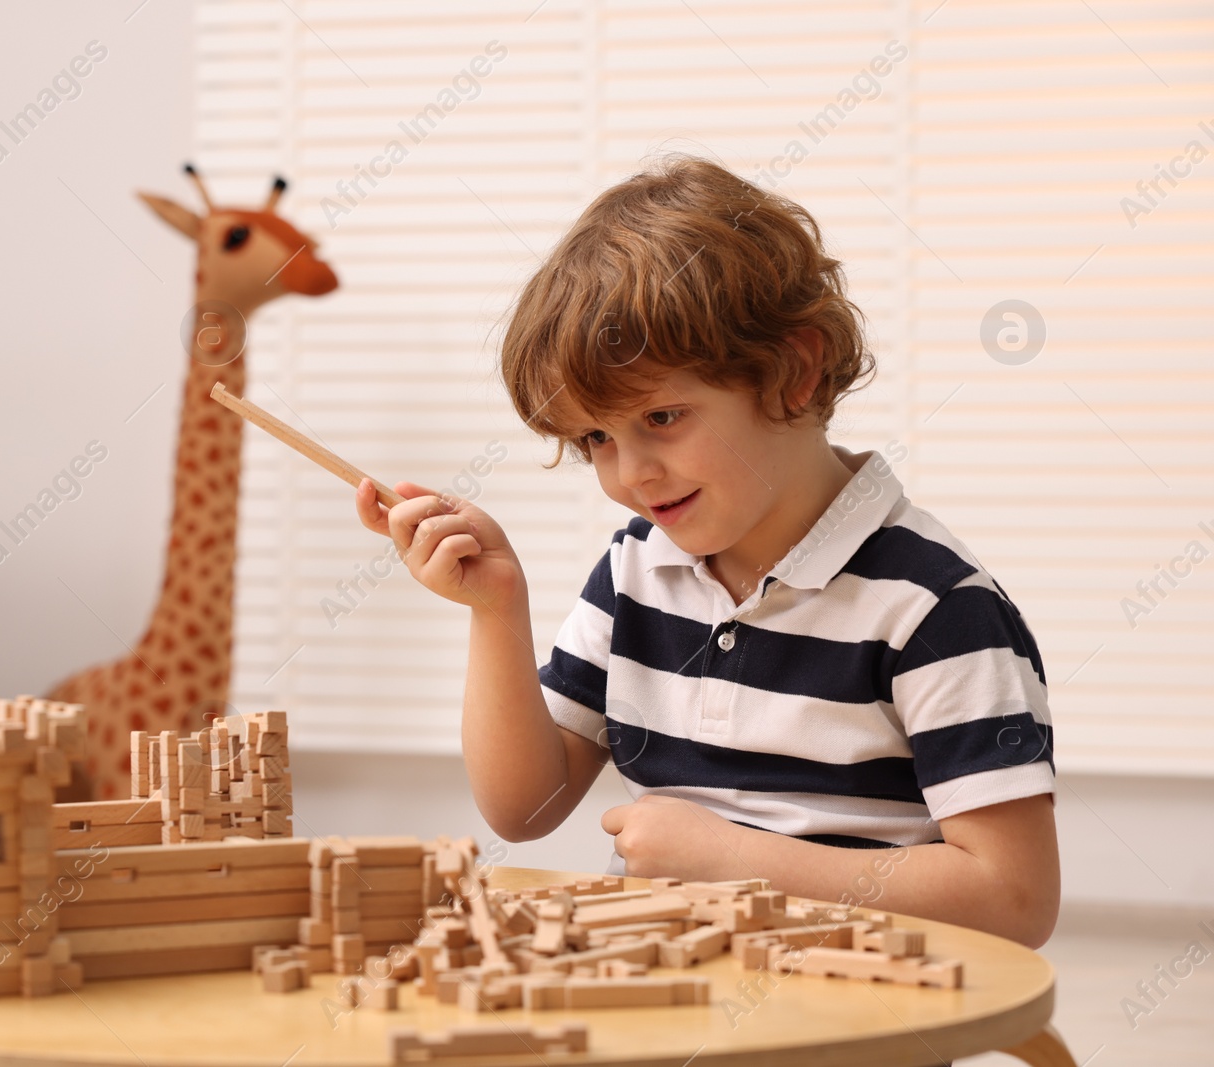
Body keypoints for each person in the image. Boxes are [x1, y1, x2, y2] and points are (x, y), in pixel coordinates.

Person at [353, 156, 1059, 948]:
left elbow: (1015, 898)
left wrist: (735, 860)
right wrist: (496, 608)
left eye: (660, 417)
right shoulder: (635, 571)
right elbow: (526, 808)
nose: (631, 474)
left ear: (793, 370)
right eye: (597, 438)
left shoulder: (933, 605)